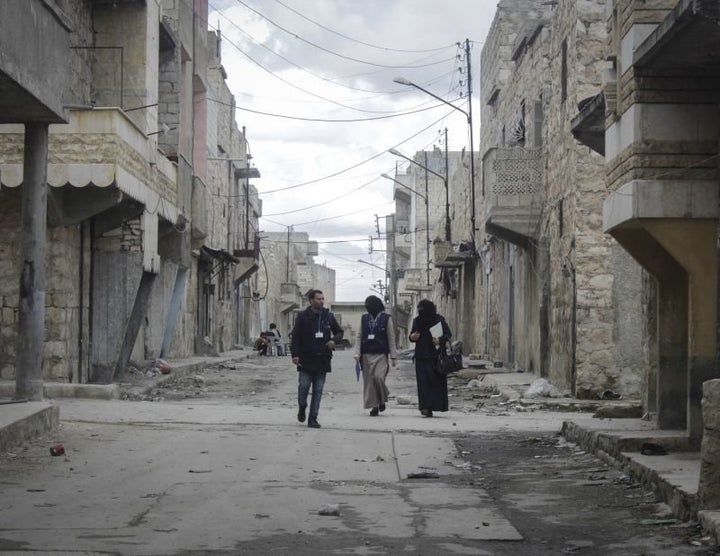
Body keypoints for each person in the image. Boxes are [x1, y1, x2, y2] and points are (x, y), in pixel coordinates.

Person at [290, 289, 344, 428]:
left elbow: (339, 332)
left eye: (322, 299)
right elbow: (295, 337)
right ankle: (302, 406)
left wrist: (334, 340)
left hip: (323, 358)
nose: (321, 301)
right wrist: (295, 354)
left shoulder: (329, 316)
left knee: (318, 389)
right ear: (311, 300)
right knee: (304, 386)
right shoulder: (302, 316)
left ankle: (313, 417)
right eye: (318, 299)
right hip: (306, 358)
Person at [354, 295, 397, 416]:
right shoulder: (364, 319)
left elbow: (391, 338)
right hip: (366, 355)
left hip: (381, 355)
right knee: (369, 382)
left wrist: (393, 356)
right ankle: (374, 406)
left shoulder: (386, 319)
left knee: (378, 377)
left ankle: (382, 399)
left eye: (369, 305)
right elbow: (359, 336)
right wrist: (357, 353)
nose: (367, 307)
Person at [409, 299, 451, 417]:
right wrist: (412, 337)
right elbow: (412, 335)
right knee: (423, 383)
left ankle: (437, 405)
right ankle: (425, 407)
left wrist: (440, 340)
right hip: (421, 356)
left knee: (436, 382)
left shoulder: (439, 320)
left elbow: (448, 334)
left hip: (436, 356)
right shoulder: (417, 321)